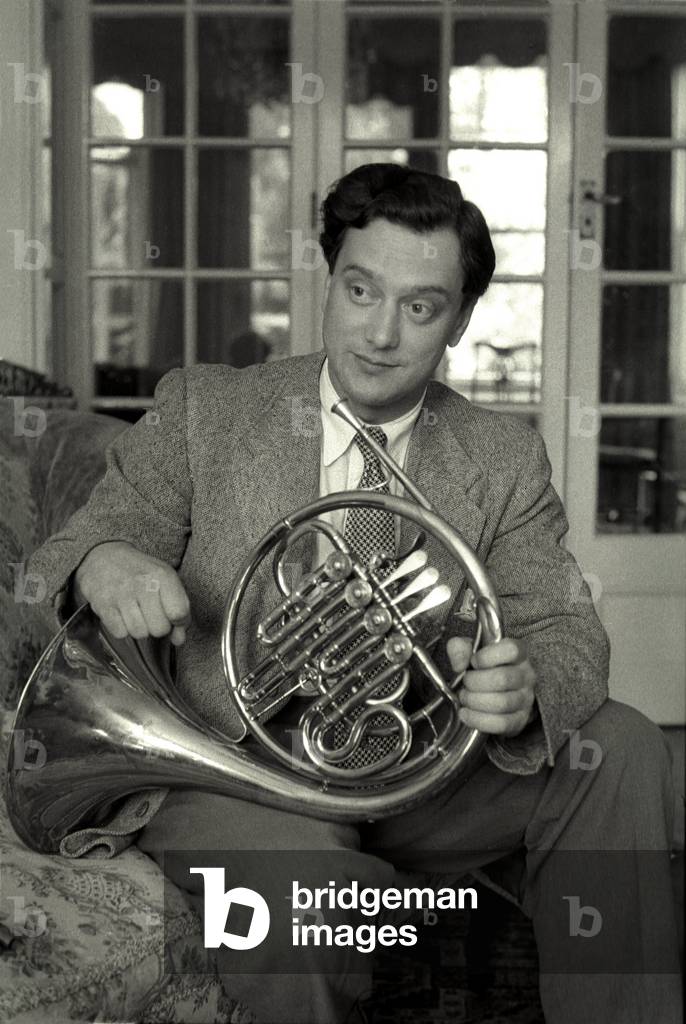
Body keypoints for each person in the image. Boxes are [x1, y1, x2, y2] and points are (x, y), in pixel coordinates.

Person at [26, 164, 680, 1023]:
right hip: (234, 776)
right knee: (303, 890)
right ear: (328, 280)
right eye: (361, 290)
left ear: (460, 321)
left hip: (417, 778)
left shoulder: (500, 456)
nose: (380, 333)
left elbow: (565, 631)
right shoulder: (209, 411)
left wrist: (524, 691)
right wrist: (108, 559)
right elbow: (60, 561)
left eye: (420, 307)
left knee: (622, 743)